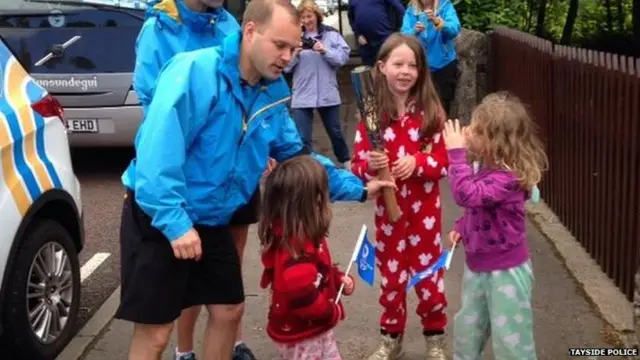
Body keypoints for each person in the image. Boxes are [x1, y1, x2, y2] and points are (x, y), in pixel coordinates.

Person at [115, 0, 396, 359]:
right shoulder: (194, 73)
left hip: (214, 217)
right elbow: (157, 151)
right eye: (280, 45)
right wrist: (174, 223)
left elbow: (298, 157)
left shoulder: (272, 93)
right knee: (155, 333)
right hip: (159, 214)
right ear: (250, 32)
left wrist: (357, 188)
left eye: (294, 48)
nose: (287, 57)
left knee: (228, 310)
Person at [131, 1, 253, 359]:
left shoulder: (229, 22)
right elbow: (157, 113)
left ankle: (235, 342)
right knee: (169, 307)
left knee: (227, 293)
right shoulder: (159, 29)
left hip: (230, 173)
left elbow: (246, 88)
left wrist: (256, 141)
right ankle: (184, 351)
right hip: (179, 184)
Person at [350, 33, 449, 360]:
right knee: (391, 282)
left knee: (429, 280)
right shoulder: (371, 117)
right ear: (381, 67)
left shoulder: (431, 113)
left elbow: (445, 162)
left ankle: (435, 340)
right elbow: (356, 166)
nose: (405, 71)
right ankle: (391, 340)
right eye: (398, 64)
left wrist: (418, 162)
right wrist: (369, 165)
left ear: (421, 71)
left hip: (425, 220)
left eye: (413, 65)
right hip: (389, 221)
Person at [443, 92, 548, 359]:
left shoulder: (509, 178)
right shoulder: (485, 166)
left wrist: (456, 154)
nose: (468, 132)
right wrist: (462, 226)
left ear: (495, 140)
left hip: (507, 272)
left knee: (511, 340)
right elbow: (476, 206)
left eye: (477, 130)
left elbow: (468, 194)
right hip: (478, 266)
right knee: (468, 330)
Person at [258, 155, 355, 360]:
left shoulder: (301, 234)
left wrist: (337, 280)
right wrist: (330, 312)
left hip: (312, 328)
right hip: (304, 333)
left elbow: (318, 271)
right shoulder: (296, 247)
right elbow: (302, 294)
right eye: (320, 195)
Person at [285, 0, 352, 169]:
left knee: (335, 132)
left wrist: (325, 51)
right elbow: (285, 68)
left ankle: (346, 161)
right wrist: (296, 54)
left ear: (317, 16)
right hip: (302, 93)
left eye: (310, 16)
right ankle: (306, 168)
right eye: (303, 17)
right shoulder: (293, 37)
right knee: (303, 136)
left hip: (327, 92)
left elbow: (342, 59)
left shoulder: (331, 34)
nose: (307, 20)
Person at [400, 0, 461, 116]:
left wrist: (438, 21)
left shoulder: (445, 6)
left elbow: (454, 29)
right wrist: (414, 31)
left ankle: (441, 129)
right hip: (419, 66)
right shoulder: (411, 10)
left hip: (443, 65)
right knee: (419, 103)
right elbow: (403, 36)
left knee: (442, 104)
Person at [347, 0, 405, 66]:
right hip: (365, 42)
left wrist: (398, 32)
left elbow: (401, 11)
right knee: (369, 67)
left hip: (384, 39)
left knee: (387, 65)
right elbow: (351, 18)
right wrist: (358, 35)